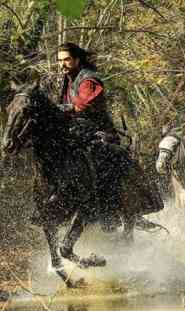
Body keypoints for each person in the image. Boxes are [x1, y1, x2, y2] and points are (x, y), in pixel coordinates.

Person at [55, 42, 129, 230]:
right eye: (60, 61)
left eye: (67, 60)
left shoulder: (89, 79)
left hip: (99, 133)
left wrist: (59, 109)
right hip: (75, 132)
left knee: (102, 163)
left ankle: (109, 211)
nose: (62, 64)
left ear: (77, 60)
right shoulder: (66, 80)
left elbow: (82, 105)